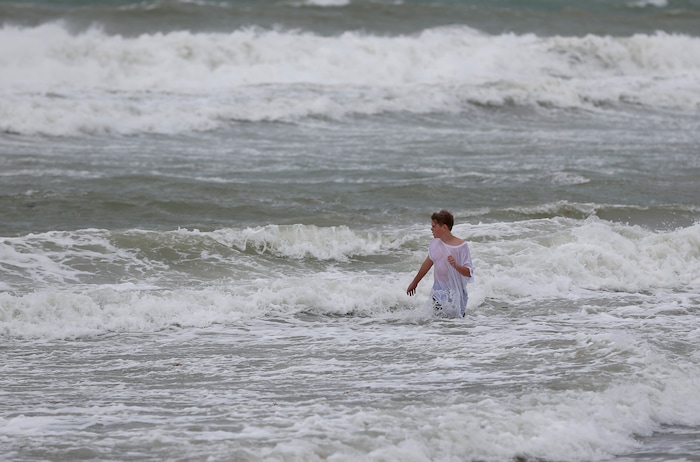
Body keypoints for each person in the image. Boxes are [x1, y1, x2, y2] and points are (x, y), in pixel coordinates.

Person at [406, 209, 474, 317]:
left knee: (455, 326)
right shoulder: (434, 243)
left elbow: (469, 272)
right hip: (438, 293)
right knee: (438, 324)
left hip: (456, 295)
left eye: (434, 226)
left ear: (444, 227)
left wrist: (456, 266)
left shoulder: (462, 246)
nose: (431, 229)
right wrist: (415, 282)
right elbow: (427, 264)